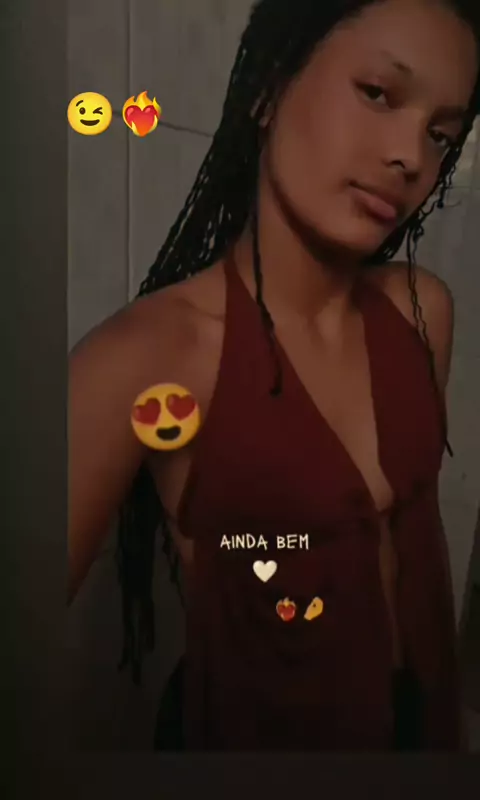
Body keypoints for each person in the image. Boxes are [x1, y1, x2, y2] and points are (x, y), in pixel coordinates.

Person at [68, 0, 480, 751]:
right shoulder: (151, 355)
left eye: (440, 134)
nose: (410, 157)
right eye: (378, 93)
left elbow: (415, 557)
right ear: (268, 88)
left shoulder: (422, 314)